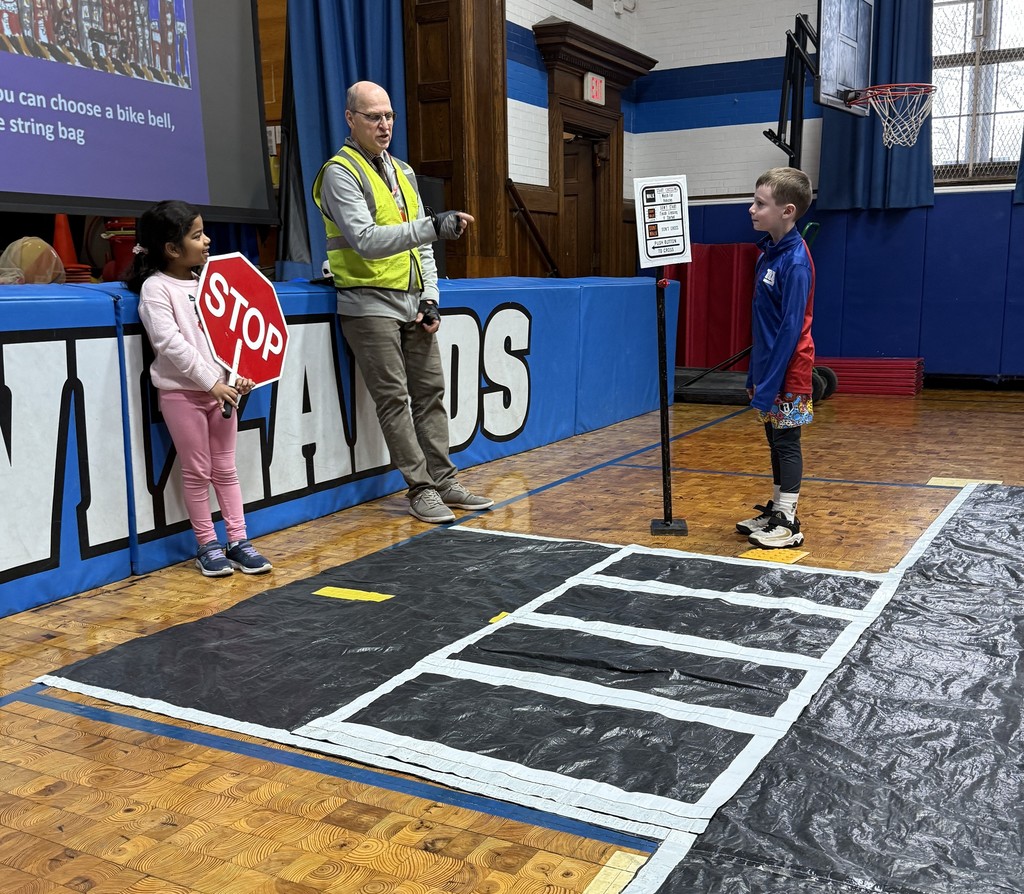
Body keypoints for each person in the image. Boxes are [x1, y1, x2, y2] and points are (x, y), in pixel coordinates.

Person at [312, 80, 493, 524]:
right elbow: (366, 240)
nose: (384, 124)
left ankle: (445, 481)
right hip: (367, 303)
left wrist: (431, 297)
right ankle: (421, 489)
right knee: (394, 399)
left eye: (389, 115)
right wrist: (433, 226)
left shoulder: (404, 172)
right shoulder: (339, 172)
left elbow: (422, 247)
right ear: (350, 119)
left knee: (431, 394)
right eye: (373, 116)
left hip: (413, 302)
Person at [124, 200, 273, 577]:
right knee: (197, 470)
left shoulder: (212, 281)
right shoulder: (156, 289)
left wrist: (239, 374)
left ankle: (238, 540)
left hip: (223, 393)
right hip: (182, 396)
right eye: (197, 235)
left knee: (226, 469)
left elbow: (234, 335)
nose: (207, 241)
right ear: (171, 248)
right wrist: (211, 383)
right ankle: (207, 545)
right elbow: (170, 344)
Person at [736, 167, 815, 549]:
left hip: (790, 372)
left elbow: (790, 329)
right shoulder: (768, 254)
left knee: (786, 441)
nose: (751, 209)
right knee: (774, 439)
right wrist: (756, 372)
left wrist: (772, 383)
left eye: (760, 204)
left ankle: (788, 523)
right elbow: (763, 325)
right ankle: (777, 510)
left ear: (787, 211)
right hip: (768, 367)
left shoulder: (795, 262)